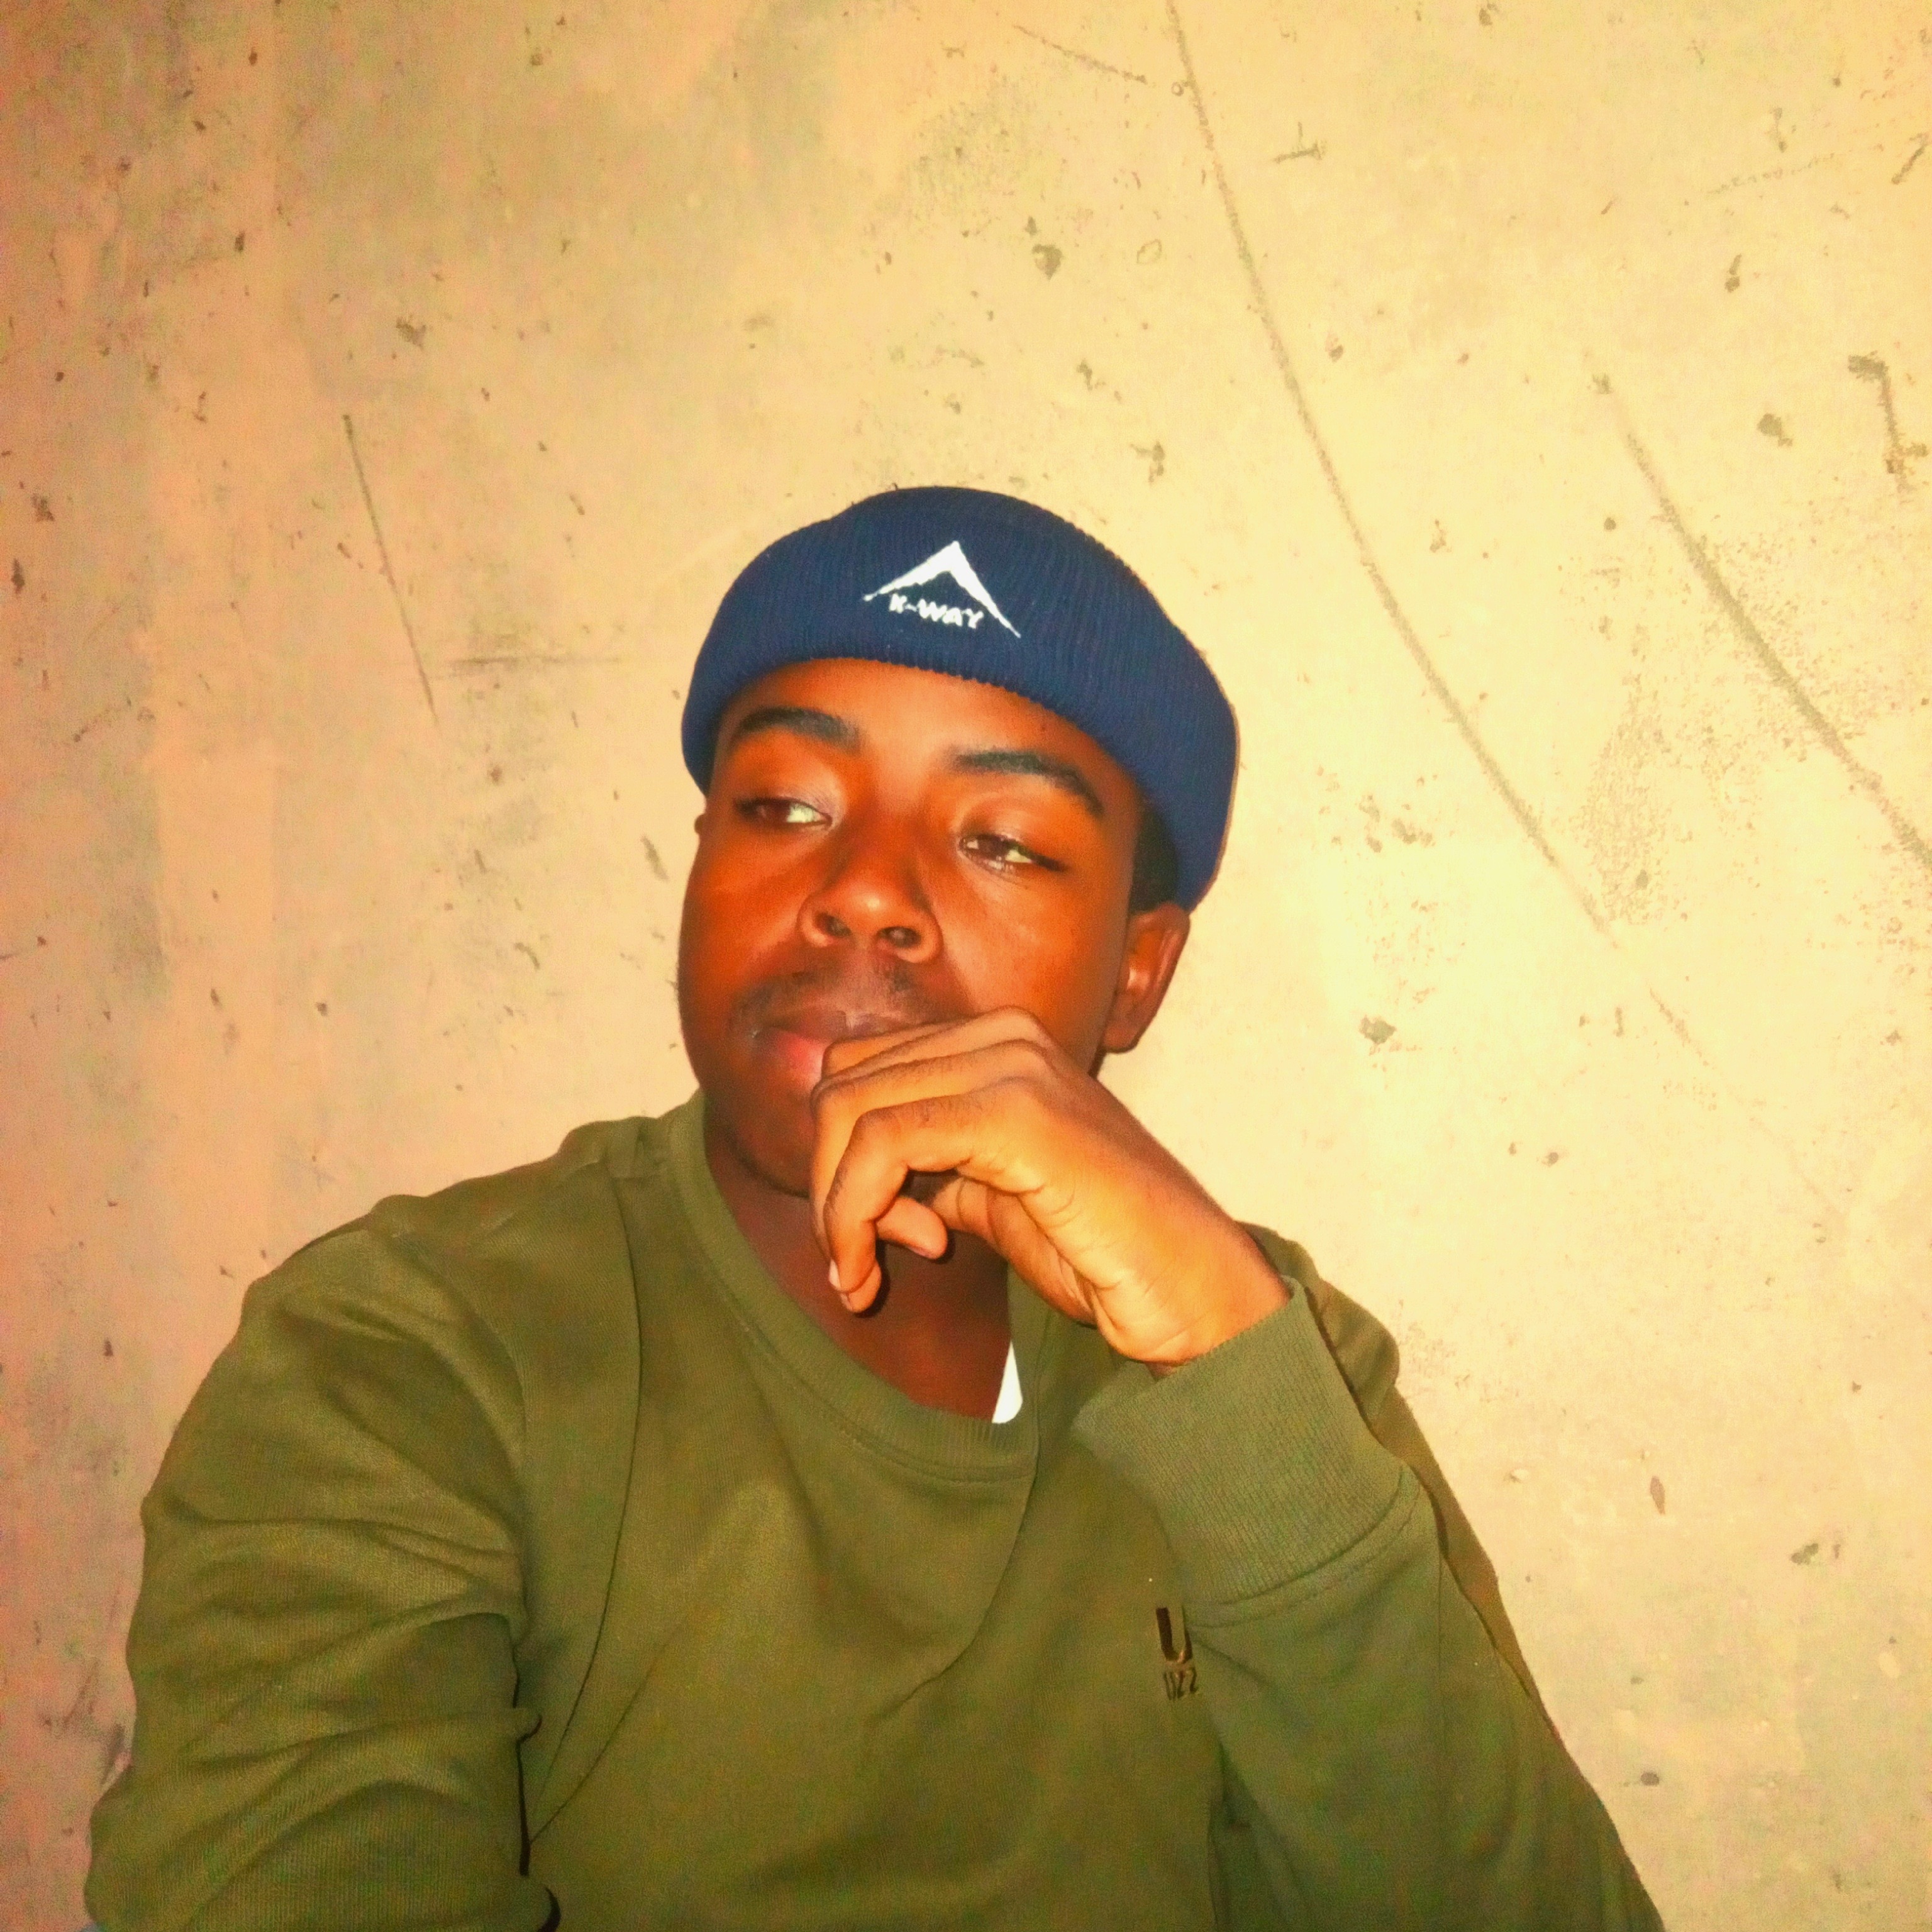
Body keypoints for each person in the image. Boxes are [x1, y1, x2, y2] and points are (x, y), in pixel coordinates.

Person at [87, 487, 1663, 1930]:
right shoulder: (412, 1355)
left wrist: (1234, 1379)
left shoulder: (1271, 1361)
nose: (862, 888)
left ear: (1138, 973)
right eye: (784, 807)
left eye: (1002, 841)